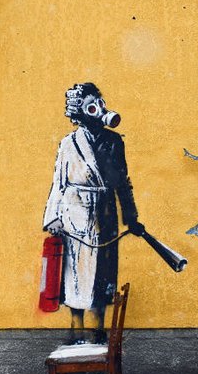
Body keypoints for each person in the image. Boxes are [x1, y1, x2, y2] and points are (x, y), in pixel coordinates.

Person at [43, 83, 144, 344]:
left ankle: (98, 330)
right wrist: (53, 218)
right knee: (76, 274)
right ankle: (76, 328)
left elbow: (123, 182)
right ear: (79, 112)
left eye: (99, 102)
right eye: (91, 106)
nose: (98, 109)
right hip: (75, 214)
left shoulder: (114, 142)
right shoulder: (68, 144)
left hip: (105, 212)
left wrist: (131, 217)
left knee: (103, 273)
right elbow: (59, 182)